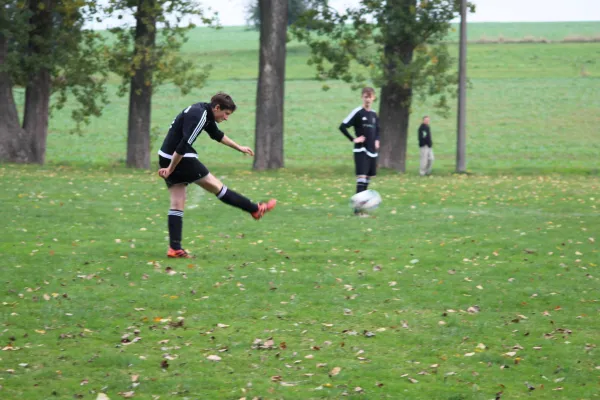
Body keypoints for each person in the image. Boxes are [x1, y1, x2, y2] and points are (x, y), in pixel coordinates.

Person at [157, 92, 276, 258]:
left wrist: (239, 147)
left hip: (165, 155)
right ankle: (254, 209)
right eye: (226, 114)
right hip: (179, 158)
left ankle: (174, 248)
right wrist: (170, 169)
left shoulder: (203, 111)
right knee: (217, 187)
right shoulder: (200, 116)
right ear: (217, 107)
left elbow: (216, 134)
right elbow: (184, 144)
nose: (226, 118)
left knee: (177, 203)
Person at [339, 87, 380, 215]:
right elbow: (342, 126)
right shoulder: (358, 112)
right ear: (362, 97)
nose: (368, 99)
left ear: (373, 98)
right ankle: (357, 211)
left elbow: (378, 129)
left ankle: (363, 208)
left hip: (372, 151)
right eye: (365, 96)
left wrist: (377, 140)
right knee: (361, 178)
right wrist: (353, 139)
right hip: (361, 150)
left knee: (367, 179)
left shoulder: (373, 114)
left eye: (370, 96)